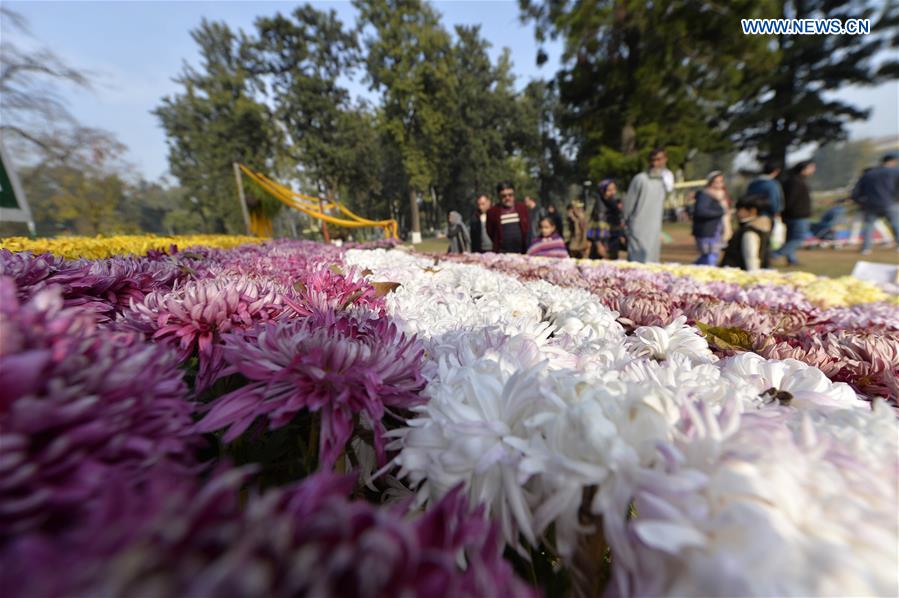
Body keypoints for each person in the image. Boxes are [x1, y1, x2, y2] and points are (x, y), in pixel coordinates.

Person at [623, 147, 669, 262]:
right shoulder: (640, 179)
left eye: (658, 160)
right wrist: (625, 224)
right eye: (652, 160)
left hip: (654, 229)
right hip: (638, 229)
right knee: (637, 265)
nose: (655, 163)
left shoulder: (664, 181)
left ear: (665, 160)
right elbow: (628, 206)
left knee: (652, 264)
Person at [852, 152, 899, 255]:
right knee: (895, 224)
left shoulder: (869, 174)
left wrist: (861, 202)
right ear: (893, 161)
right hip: (890, 203)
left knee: (869, 226)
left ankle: (866, 248)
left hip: (870, 204)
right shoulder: (895, 172)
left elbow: (855, 192)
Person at [772, 160, 816, 266]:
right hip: (797, 215)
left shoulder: (793, 180)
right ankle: (774, 255)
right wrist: (788, 211)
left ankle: (791, 259)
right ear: (804, 169)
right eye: (811, 168)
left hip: (793, 214)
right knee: (798, 238)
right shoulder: (796, 182)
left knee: (791, 238)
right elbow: (791, 199)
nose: (813, 170)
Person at [720, 195, 772, 272]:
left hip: (738, 274)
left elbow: (751, 257)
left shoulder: (750, 232)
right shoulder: (758, 228)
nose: (736, 212)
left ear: (752, 211)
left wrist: (754, 277)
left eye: (739, 209)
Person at [691, 171, 728, 265]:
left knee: (713, 255)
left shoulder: (721, 196)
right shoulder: (705, 195)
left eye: (721, 182)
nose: (719, 184)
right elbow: (701, 212)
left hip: (716, 231)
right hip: (706, 231)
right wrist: (720, 212)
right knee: (709, 256)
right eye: (716, 182)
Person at [486, 181, 530, 254]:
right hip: (502, 253)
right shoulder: (492, 212)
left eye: (510, 195)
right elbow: (490, 231)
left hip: (522, 251)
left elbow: (527, 228)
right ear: (499, 196)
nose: (507, 198)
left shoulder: (522, 208)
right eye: (504, 196)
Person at [587, 179, 625, 259]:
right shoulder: (600, 206)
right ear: (602, 191)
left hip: (613, 242)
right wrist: (598, 244)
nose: (613, 192)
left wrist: (621, 235)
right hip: (602, 244)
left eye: (614, 189)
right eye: (609, 190)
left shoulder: (613, 205)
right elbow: (594, 226)